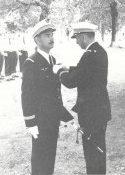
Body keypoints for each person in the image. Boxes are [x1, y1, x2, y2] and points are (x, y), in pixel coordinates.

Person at [53, 22, 111, 175]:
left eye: (77, 38)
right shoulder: (99, 51)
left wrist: (59, 71)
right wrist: (69, 68)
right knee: (98, 150)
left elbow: (72, 82)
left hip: (91, 113)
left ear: (84, 36)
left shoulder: (88, 55)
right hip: (100, 111)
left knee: (92, 153)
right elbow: (85, 72)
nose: (77, 41)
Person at [21, 19, 73, 175]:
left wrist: (64, 116)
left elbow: (55, 94)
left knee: (50, 157)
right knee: (39, 160)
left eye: (52, 35)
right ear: (37, 40)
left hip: (52, 119)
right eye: (47, 35)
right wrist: (30, 123)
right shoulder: (31, 62)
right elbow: (27, 95)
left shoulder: (53, 60)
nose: (52, 39)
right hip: (40, 120)